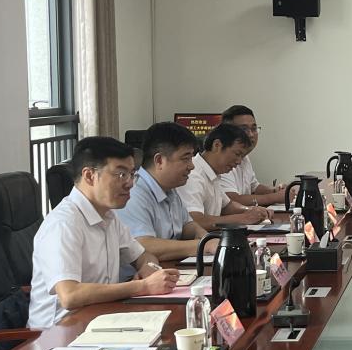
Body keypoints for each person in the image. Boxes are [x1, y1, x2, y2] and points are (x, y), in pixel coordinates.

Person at [28, 137, 180, 328]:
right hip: (59, 332)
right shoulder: (63, 224)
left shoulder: (108, 216)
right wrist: (142, 286)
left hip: (101, 318)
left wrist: (148, 268)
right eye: (121, 174)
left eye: (132, 174)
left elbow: (143, 256)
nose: (130, 183)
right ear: (89, 176)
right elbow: (70, 295)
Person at [116, 122, 211, 262]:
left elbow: (186, 225)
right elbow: (143, 246)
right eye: (185, 159)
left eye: (191, 158)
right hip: (140, 274)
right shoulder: (133, 193)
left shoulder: (169, 188)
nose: (191, 166)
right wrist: (203, 246)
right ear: (159, 160)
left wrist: (206, 237)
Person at [178, 123, 272, 230]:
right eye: (237, 154)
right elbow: (195, 220)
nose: (239, 161)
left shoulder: (213, 172)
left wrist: (250, 210)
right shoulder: (193, 175)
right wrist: (243, 218)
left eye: (242, 156)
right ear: (217, 145)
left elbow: (227, 206)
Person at [219, 105, 288, 207]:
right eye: (244, 129)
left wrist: (275, 190)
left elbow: (254, 187)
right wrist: (276, 197)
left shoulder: (244, 157)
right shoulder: (223, 160)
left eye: (254, 128)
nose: (251, 134)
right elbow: (231, 200)